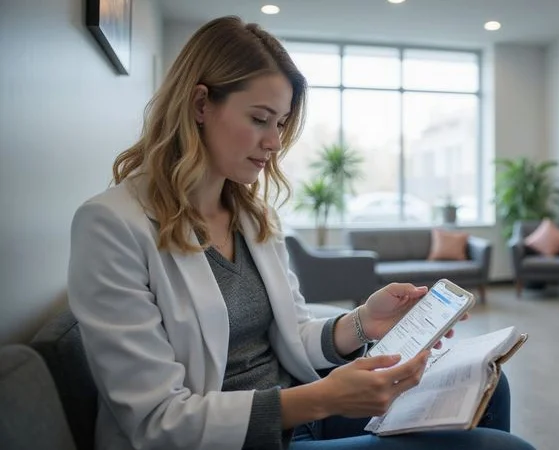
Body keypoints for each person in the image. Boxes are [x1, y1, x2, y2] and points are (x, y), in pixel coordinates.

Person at [67, 15, 535, 450]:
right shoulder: (112, 225)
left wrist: (363, 323)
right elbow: (158, 420)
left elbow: (291, 332)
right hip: (241, 437)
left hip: (302, 413)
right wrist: (326, 398)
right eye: (259, 119)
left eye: (282, 123)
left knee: (488, 385)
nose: (274, 142)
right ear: (200, 103)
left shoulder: (252, 217)